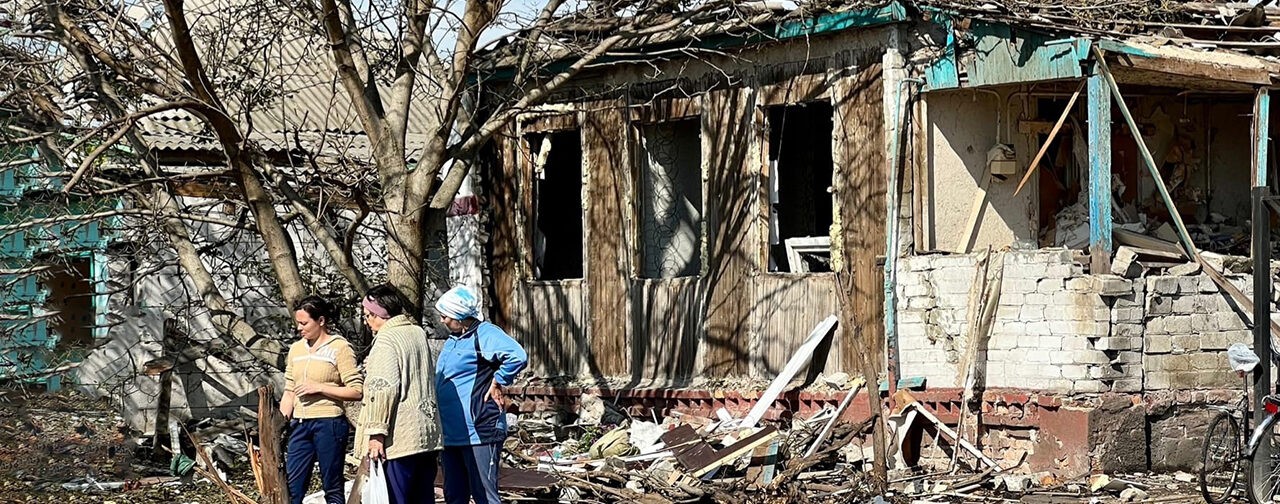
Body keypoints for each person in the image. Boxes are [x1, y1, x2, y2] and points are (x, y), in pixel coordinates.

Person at [434, 285, 528, 504]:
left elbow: (517, 355)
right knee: (454, 495)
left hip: (479, 429)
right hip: (451, 433)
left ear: (459, 315)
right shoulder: (454, 339)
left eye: (445, 316)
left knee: (484, 495)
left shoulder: (484, 334)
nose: (442, 321)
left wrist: (498, 380)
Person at [354, 284, 444, 504]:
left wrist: (376, 433)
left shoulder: (386, 339)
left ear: (378, 315)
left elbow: (383, 387)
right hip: (425, 433)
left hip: (398, 438)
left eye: (368, 316)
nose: (367, 321)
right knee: (421, 497)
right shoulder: (417, 332)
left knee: (395, 497)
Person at [280, 295, 363, 504]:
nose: (300, 328)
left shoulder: (340, 347)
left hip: (329, 423)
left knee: (332, 485)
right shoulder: (296, 350)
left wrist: (320, 388)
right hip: (299, 424)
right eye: (298, 323)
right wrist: (278, 425)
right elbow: (289, 390)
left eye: (304, 323)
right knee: (292, 487)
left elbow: (356, 390)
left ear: (321, 321)